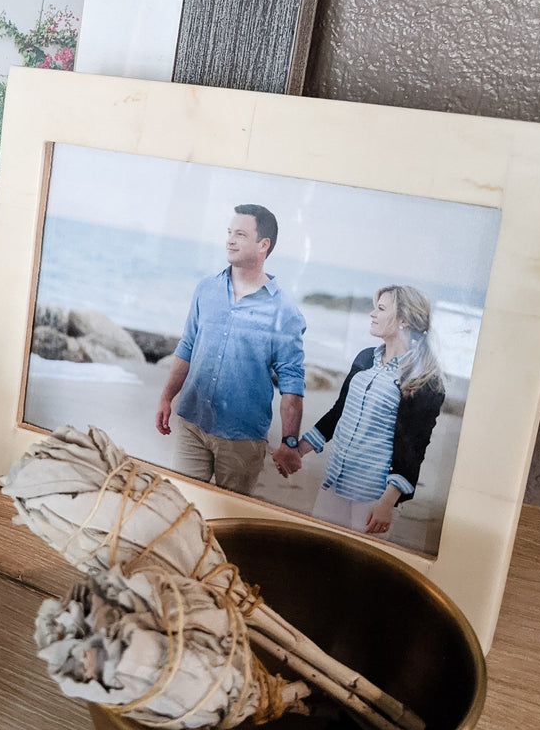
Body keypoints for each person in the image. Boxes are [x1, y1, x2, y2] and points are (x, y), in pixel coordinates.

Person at [155, 203, 306, 495]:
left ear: (264, 245)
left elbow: (292, 386)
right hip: (192, 424)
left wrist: (289, 443)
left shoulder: (284, 312)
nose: (230, 240)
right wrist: (166, 397)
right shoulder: (206, 288)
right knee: (179, 506)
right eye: (229, 232)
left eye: (240, 234)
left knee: (228, 520)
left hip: (242, 439)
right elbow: (187, 346)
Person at [272, 284, 445, 538]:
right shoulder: (365, 358)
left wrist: (387, 502)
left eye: (381, 308)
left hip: (373, 498)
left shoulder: (422, 380)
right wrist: (298, 450)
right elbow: (338, 413)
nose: (372, 314)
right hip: (334, 483)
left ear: (403, 320)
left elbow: (414, 448)